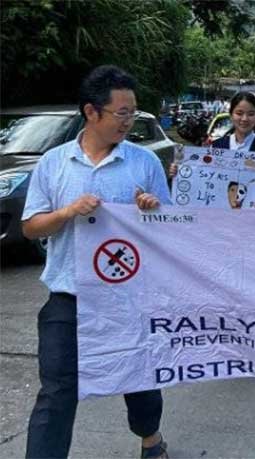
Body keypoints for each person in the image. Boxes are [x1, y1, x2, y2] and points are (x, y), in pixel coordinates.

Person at [21, 65, 169, 459]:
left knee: (139, 380)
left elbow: (170, 233)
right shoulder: (54, 163)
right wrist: (67, 212)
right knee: (56, 391)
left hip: (128, 297)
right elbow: (32, 228)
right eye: (122, 113)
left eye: (133, 112)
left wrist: (150, 212)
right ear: (92, 112)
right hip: (67, 297)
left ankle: (150, 437)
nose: (129, 120)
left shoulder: (144, 164)